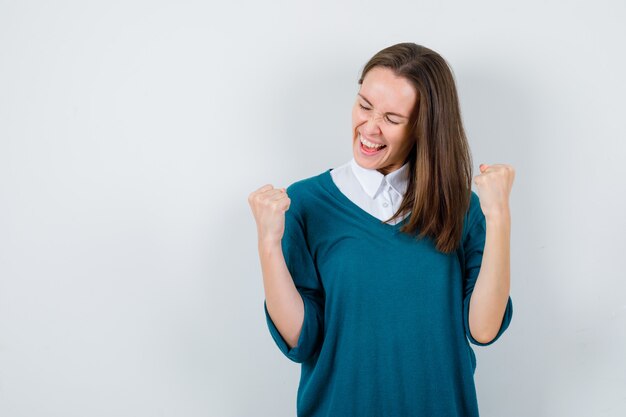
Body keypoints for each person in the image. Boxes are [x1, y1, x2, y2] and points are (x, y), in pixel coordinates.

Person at [248, 42, 515, 417]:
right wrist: (268, 243)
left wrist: (499, 216)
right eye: (365, 105)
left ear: (424, 127)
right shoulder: (305, 203)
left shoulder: (462, 209)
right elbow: (302, 339)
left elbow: (483, 329)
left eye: (392, 118)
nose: (369, 128)